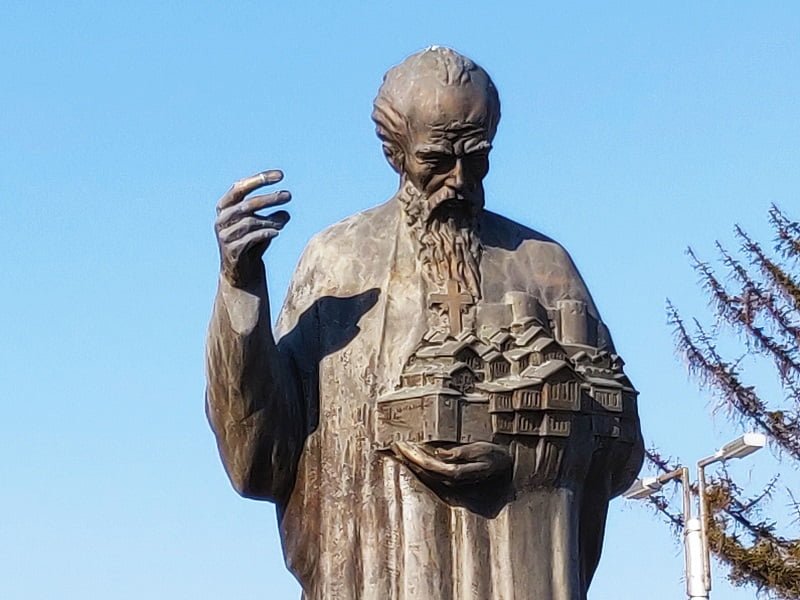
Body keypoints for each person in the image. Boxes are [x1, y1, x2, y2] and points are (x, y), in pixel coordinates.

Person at [206, 46, 643, 600]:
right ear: (396, 152)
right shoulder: (338, 261)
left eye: (475, 157)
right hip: (379, 566)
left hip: (515, 567)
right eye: (436, 158)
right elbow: (264, 451)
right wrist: (242, 286)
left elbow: (618, 441)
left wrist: (520, 456)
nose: (458, 179)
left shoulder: (543, 266)